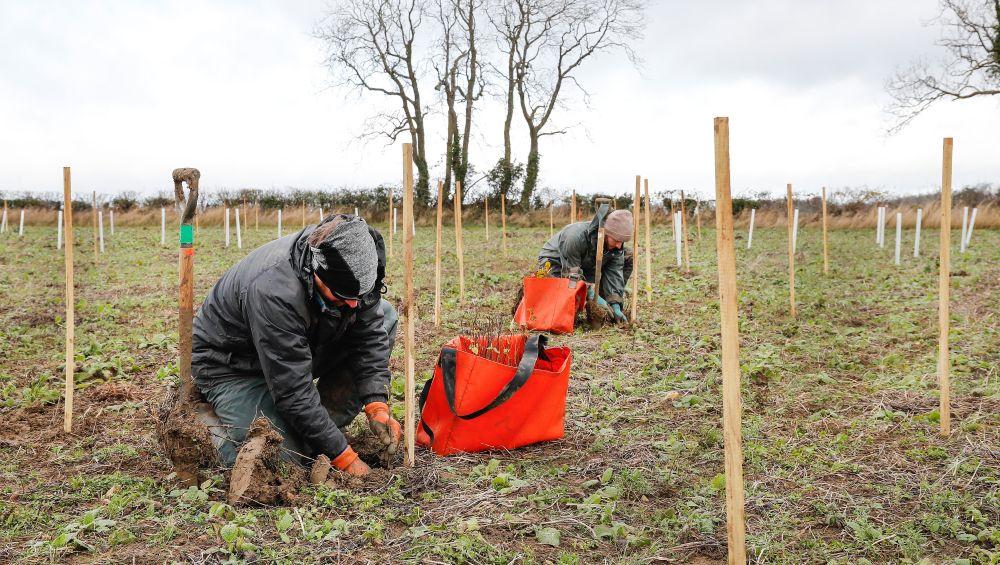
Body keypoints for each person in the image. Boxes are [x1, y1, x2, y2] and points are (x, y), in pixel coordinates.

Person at [191, 214, 401, 477]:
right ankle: (206, 424)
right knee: (282, 462)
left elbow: (369, 334)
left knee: (385, 317)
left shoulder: (359, 261)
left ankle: (318, 433)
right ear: (317, 271)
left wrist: (376, 405)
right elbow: (293, 390)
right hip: (233, 366)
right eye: (342, 296)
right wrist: (345, 458)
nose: (353, 304)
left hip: (299, 345)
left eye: (358, 296)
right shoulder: (273, 291)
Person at [536, 203, 633, 324]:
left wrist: (615, 303)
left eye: (622, 242)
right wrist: (590, 293)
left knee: (628, 256)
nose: (619, 245)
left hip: (585, 263)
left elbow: (615, 273)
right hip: (557, 263)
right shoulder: (574, 237)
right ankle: (592, 300)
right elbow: (571, 275)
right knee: (561, 305)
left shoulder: (616, 246)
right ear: (605, 233)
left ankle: (603, 309)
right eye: (616, 240)